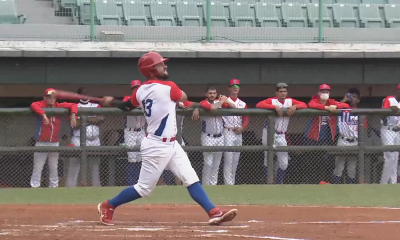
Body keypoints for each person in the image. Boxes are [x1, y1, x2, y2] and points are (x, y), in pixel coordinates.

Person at [97, 52, 237, 226]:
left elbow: (126, 106)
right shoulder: (168, 87)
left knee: (190, 177)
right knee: (144, 188)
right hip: (156, 145)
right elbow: (184, 98)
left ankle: (213, 212)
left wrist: (111, 101)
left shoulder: (140, 90)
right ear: (151, 70)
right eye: (161, 64)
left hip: (171, 143)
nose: (165, 66)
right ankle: (108, 205)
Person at [256, 83, 307, 184]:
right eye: (280, 91)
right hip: (269, 132)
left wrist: (295, 106)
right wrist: (274, 107)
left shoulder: (290, 101)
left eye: (284, 91)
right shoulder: (272, 100)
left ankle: (279, 183)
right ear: (276, 93)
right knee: (268, 158)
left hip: (282, 134)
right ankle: (270, 183)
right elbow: (259, 104)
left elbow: (305, 105)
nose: (283, 93)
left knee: (284, 163)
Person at [30, 88, 78, 188]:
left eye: (53, 97)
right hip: (41, 142)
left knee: (54, 167)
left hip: (54, 142)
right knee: (38, 166)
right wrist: (43, 115)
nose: (51, 99)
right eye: (49, 97)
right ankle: (34, 187)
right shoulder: (40, 104)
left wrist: (73, 116)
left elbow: (73, 105)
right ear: (44, 97)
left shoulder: (58, 106)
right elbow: (33, 105)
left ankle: (54, 187)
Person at [306, 84, 350, 184]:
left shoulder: (331, 102)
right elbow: (311, 105)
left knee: (325, 160)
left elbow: (346, 105)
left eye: (326, 92)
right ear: (318, 93)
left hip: (326, 136)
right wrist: (326, 107)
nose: (325, 94)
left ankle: (322, 181)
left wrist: (335, 106)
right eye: (322, 91)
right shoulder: (315, 100)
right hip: (313, 136)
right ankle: (314, 182)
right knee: (313, 160)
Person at [66, 87, 104, 187]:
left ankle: (97, 188)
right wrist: (91, 118)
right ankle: (70, 188)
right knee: (74, 166)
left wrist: (83, 119)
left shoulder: (96, 106)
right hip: (78, 139)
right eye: (82, 94)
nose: (85, 95)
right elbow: (75, 124)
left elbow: (100, 119)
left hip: (94, 140)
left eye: (86, 93)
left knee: (95, 166)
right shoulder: (74, 107)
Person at [199, 86, 236, 185]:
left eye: (214, 93)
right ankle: (206, 185)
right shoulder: (203, 103)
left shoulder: (219, 102)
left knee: (216, 164)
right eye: (210, 93)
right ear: (206, 94)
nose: (212, 95)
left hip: (220, 137)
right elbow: (211, 109)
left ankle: (213, 185)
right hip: (208, 137)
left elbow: (234, 107)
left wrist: (226, 101)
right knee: (208, 163)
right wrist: (222, 102)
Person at [333, 87, 366, 184]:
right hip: (343, 140)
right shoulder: (344, 109)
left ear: (358, 99)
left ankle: (350, 188)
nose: (352, 98)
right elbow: (335, 107)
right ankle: (335, 187)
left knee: (352, 169)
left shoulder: (360, 113)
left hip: (355, 142)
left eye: (355, 97)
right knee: (339, 167)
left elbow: (363, 130)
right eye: (351, 96)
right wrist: (345, 99)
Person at [222, 79, 249, 185]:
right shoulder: (224, 101)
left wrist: (243, 127)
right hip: (228, 131)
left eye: (237, 86)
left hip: (238, 133)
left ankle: (231, 183)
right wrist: (226, 100)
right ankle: (228, 185)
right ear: (229, 88)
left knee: (235, 161)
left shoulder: (243, 104)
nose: (235, 87)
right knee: (228, 160)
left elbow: (246, 118)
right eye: (232, 85)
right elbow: (222, 104)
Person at [123, 80, 146, 186]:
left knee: (142, 157)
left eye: (138, 87)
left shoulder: (145, 99)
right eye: (134, 88)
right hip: (130, 132)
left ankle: (141, 183)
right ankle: (131, 184)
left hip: (141, 131)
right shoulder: (127, 98)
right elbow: (126, 106)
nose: (136, 89)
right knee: (132, 158)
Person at [380, 84, 400, 184]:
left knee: (395, 159)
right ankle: (383, 184)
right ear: (398, 91)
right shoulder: (389, 99)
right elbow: (382, 116)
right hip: (387, 130)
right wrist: (390, 111)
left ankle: (393, 183)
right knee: (389, 158)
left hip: (398, 132)